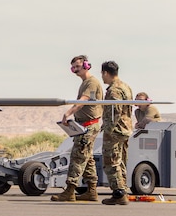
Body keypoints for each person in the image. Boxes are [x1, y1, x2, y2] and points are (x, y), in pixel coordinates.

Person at [51, 54, 104, 202]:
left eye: (78, 66)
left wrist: (68, 113)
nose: (75, 70)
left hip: (89, 126)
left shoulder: (91, 83)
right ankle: (91, 191)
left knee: (78, 157)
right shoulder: (86, 82)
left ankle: (70, 190)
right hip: (85, 126)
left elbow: (83, 102)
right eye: (73, 67)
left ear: (86, 66)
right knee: (87, 159)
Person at [99, 61, 133, 205]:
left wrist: (108, 128)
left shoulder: (113, 90)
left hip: (115, 130)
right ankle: (123, 189)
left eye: (102, 74)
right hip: (125, 129)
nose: (102, 77)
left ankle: (119, 193)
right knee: (120, 162)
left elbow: (115, 112)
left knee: (110, 162)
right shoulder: (126, 87)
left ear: (106, 73)